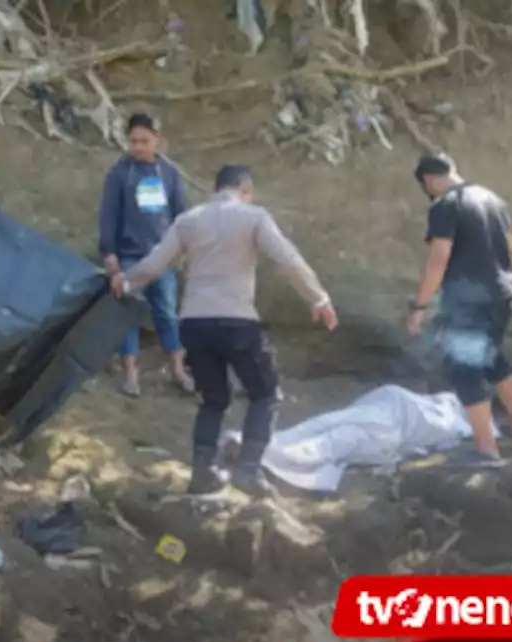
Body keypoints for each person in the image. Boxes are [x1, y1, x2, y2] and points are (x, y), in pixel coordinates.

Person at [110, 165, 338, 498]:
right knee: (265, 394)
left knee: (213, 400)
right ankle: (247, 471)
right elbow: (287, 260)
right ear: (245, 189)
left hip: (194, 323)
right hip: (237, 321)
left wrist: (126, 282)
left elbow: (155, 264)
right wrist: (318, 298)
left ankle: (202, 473)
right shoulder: (253, 216)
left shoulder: (189, 220)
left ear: (216, 189)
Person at [405, 152, 512, 468]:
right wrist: (507, 283)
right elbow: (511, 249)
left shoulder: (445, 206)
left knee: (465, 369)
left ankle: (486, 449)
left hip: (468, 300)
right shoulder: (492, 199)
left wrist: (419, 306)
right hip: (501, 294)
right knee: (494, 360)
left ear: (428, 181)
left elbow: (439, 258)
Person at [99, 113, 195, 398]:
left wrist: (184, 248)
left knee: (166, 311)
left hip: (162, 258)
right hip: (130, 257)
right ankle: (131, 373)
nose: (138, 146)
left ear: (157, 140)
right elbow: (108, 215)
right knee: (127, 313)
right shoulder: (119, 174)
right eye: (133, 141)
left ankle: (178, 369)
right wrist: (110, 255)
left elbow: (181, 214)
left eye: (144, 141)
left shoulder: (168, 174)